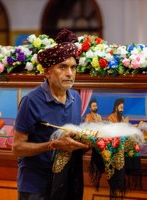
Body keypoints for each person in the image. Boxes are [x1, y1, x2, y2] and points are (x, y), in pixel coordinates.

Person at [12, 29, 89, 200]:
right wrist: (53, 144)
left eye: (73, 67)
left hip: (66, 182)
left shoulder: (75, 97)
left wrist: (92, 142)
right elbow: (17, 148)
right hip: (36, 186)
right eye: (63, 67)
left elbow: (72, 139)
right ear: (47, 72)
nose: (69, 73)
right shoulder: (31, 101)